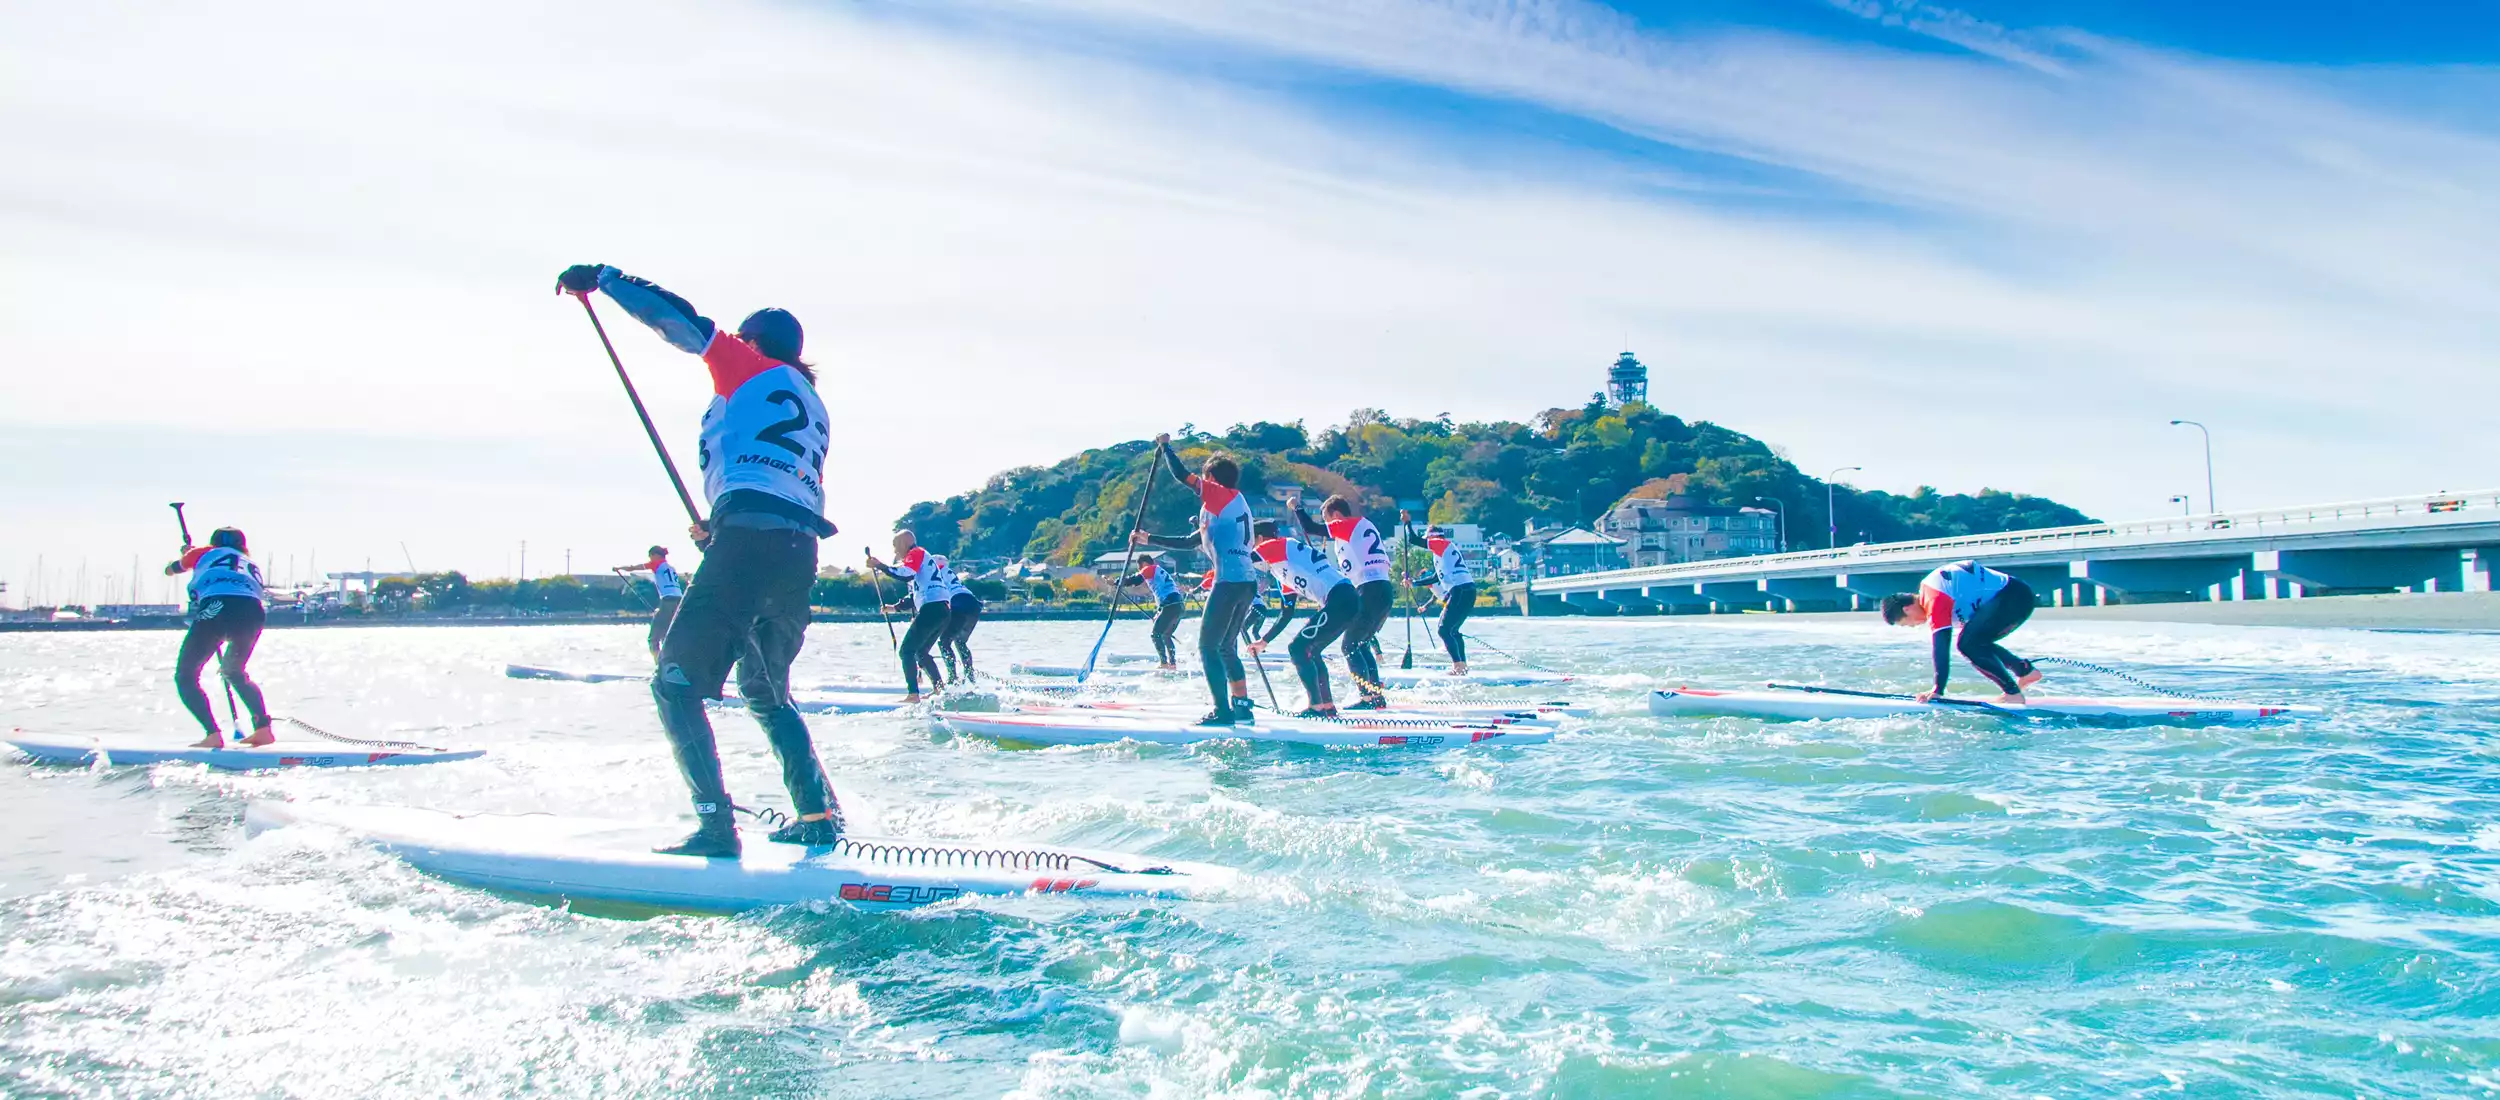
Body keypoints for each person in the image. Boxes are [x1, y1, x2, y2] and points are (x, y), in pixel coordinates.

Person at [557, 262, 843, 858]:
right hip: (795, 551)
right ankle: (817, 814)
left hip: (749, 544)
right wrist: (718, 529)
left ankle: (716, 830)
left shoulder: (749, 366)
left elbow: (679, 321)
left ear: (754, 342)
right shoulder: (810, 400)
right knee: (766, 692)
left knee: (673, 685)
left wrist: (604, 279)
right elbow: (778, 482)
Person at [1132, 433, 1257, 725]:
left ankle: (1222, 712)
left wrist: (1165, 448)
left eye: (1205, 477)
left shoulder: (1219, 494)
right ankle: (1242, 706)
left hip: (1229, 583)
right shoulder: (1232, 504)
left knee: (1207, 647)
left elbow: (1180, 475)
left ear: (1211, 477)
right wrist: (1148, 538)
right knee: (1226, 647)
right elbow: (1190, 542)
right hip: (1247, 583)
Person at [164, 526, 273, 748]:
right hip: (252, 612)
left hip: (217, 607)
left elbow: (171, 570)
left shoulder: (203, 553)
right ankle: (263, 729)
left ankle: (212, 734)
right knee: (234, 672)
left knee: (185, 676)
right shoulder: (247, 562)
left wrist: (187, 555)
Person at [1880, 559, 2043, 704]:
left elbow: (1941, 647)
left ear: (1907, 609)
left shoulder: (1934, 597)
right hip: (2015, 598)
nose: (1913, 626)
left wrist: (1937, 690)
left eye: (1906, 624)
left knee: (1968, 644)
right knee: (1975, 643)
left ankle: (2012, 694)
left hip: (2014, 596)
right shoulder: (1937, 597)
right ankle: (2025, 671)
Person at [1290, 493, 1394, 708]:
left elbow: (1310, 528)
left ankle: (1367, 698)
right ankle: (1376, 697)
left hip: (1369, 589)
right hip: (1382, 590)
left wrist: (1297, 507)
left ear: (1336, 515)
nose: (1329, 526)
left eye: (1328, 519)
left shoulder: (1347, 525)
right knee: (1360, 643)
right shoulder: (1362, 527)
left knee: (1350, 645)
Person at [1247, 519, 1357, 717]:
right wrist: (1264, 641)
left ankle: (1316, 708)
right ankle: (1327, 706)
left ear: (1260, 539)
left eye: (1253, 542)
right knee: (1309, 650)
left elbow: (1244, 559)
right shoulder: (1283, 564)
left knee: (1297, 648)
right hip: (1345, 599)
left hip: (1340, 598)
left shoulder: (1274, 545)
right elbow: (1287, 612)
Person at [866, 531, 954, 701]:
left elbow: (904, 574)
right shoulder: (924, 561)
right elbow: (917, 593)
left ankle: (913, 694)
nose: (895, 552)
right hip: (943, 610)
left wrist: (879, 565)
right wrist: (895, 608)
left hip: (932, 609)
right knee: (921, 652)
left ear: (904, 543)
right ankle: (939, 689)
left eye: (895, 547)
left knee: (906, 650)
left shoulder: (916, 552)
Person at [1408, 527, 1476, 674]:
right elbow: (1435, 578)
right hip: (1467, 590)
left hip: (1460, 590)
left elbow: (1413, 540)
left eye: (1427, 539)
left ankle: (1458, 666)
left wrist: (1407, 522)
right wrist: (1414, 582)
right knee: (1453, 631)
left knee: (1443, 630)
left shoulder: (1441, 543)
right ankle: (1462, 666)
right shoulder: (1442, 553)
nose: (1426, 542)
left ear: (1432, 537)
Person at [616, 545, 686, 659]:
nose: (649, 559)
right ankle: (671, 660)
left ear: (656, 555)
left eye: (650, 556)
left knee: (653, 639)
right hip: (680, 601)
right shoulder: (671, 568)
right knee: (666, 634)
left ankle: (660, 665)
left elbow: (633, 567)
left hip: (667, 601)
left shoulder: (657, 564)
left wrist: (619, 568)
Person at [1117, 555, 1186, 670]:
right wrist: (1159, 613)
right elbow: (1165, 594)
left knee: (1155, 634)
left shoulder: (1150, 568)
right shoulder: (1160, 571)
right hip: (1178, 606)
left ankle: (1164, 663)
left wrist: (1116, 582)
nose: (1140, 570)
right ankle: (1172, 664)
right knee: (1166, 635)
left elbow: (1135, 580)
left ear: (1144, 564)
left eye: (1140, 566)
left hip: (1170, 606)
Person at [937, 564, 984, 685]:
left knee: (944, 642)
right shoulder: (948, 572)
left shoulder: (933, 573)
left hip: (959, 604)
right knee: (960, 642)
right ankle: (970, 677)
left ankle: (952, 678)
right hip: (973, 605)